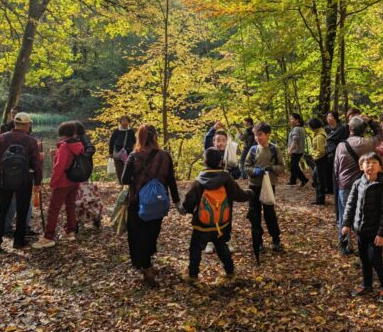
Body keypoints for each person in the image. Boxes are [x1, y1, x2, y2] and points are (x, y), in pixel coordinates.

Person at [179, 146, 251, 284]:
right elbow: (240, 195)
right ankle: (230, 272)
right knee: (221, 246)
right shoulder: (226, 178)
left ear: (205, 163)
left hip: (202, 225)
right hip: (222, 223)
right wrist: (251, 193)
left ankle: (193, 275)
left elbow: (190, 200)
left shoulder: (199, 181)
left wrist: (184, 209)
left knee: (195, 249)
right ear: (220, 162)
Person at [120, 124, 179, 287]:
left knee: (137, 234)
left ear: (139, 138)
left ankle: (145, 266)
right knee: (152, 232)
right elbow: (171, 180)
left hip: (138, 201)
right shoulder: (165, 156)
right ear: (155, 137)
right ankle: (147, 261)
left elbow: (124, 180)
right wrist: (177, 201)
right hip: (159, 201)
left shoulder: (133, 156)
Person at [0, 111, 43, 253]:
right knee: (22, 210)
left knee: (1, 210)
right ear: (27, 125)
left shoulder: (1, 138)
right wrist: (38, 182)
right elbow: (37, 163)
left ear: (15, 123)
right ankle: (19, 241)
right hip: (24, 180)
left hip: (4, 179)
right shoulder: (31, 141)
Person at [342, 152, 383, 301]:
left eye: (374, 163)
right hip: (361, 230)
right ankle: (367, 284)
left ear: (380, 166)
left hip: (375, 232)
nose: (370, 166)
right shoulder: (358, 183)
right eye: (367, 163)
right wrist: (347, 223)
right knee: (364, 258)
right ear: (361, 166)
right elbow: (350, 204)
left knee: (375, 259)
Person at [33, 122, 84, 248]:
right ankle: (70, 232)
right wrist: (56, 155)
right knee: (70, 206)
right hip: (74, 180)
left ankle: (48, 237)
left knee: (53, 209)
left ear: (62, 133)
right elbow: (70, 160)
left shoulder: (64, 147)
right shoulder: (78, 145)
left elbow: (60, 167)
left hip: (62, 182)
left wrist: (53, 182)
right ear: (73, 133)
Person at [334, 115, 375, 254]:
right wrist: (371, 122)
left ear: (350, 128)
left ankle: (344, 246)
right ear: (363, 129)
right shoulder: (367, 143)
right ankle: (362, 247)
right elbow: (381, 137)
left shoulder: (341, 145)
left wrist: (338, 181)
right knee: (360, 216)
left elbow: (336, 167)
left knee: (343, 217)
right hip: (362, 185)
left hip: (344, 185)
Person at [244, 121, 284, 256]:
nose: (257, 138)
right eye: (255, 135)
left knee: (269, 214)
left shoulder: (274, 149)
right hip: (253, 186)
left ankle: (276, 239)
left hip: (268, 186)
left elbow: (281, 167)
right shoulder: (253, 150)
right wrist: (254, 171)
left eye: (260, 135)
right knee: (254, 214)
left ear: (268, 134)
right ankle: (258, 240)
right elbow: (246, 166)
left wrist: (272, 168)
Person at [308, 117, 330, 205]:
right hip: (319, 160)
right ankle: (319, 198)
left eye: (309, 126)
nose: (309, 128)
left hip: (321, 160)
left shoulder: (320, 136)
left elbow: (321, 151)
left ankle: (320, 200)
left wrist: (314, 157)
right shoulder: (318, 134)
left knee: (319, 179)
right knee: (316, 178)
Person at [108, 116, 135, 183]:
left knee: (128, 169)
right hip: (118, 153)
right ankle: (121, 182)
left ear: (129, 122)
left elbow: (134, 142)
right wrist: (110, 153)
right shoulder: (116, 131)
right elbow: (112, 142)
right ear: (120, 122)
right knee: (119, 169)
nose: (125, 122)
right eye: (123, 121)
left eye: (126, 121)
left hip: (129, 153)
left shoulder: (131, 131)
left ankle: (127, 183)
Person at [287, 112, 309, 187]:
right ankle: (292, 180)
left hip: (296, 151)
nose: (290, 120)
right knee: (294, 165)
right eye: (290, 119)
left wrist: (290, 150)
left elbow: (295, 141)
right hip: (299, 150)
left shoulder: (296, 129)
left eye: (292, 119)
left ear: (297, 120)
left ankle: (304, 179)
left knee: (293, 166)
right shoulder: (301, 128)